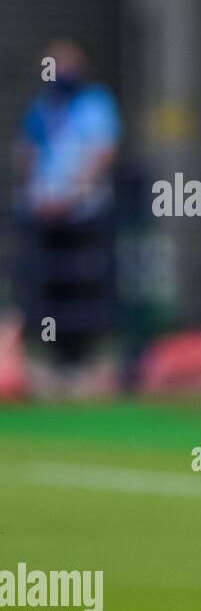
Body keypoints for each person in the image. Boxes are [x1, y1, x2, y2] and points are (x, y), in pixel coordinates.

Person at [11, 38, 122, 393]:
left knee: (82, 286)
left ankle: (81, 360)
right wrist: (35, 192)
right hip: (44, 213)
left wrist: (73, 195)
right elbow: (25, 152)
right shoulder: (42, 108)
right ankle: (54, 359)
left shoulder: (94, 105)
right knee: (46, 287)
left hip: (83, 213)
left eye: (65, 66)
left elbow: (102, 152)